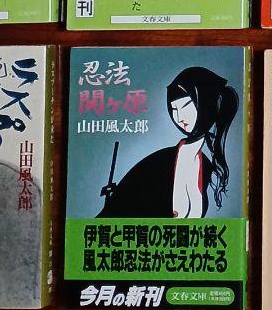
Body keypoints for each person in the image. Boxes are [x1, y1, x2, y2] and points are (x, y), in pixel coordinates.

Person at [98, 66, 238, 218]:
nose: (179, 117)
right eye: (174, 109)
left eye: (185, 106)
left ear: (205, 104)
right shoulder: (160, 163)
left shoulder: (206, 167)